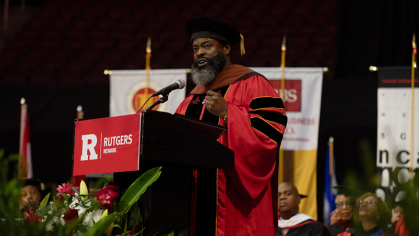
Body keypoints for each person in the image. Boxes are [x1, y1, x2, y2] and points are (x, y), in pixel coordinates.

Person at [176, 16, 287, 236]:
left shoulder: (253, 84)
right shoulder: (191, 99)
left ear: (226, 48)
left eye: (207, 46)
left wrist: (229, 113)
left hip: (235, 205)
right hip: (193, 204)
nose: (199, 53)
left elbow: (268, 138)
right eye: (195, 48)